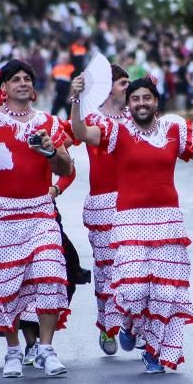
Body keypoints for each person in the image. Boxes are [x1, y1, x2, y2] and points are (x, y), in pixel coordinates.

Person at [81, 75, 193, 373]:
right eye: (135, 99)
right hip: (130, 221)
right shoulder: (117, 132)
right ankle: (131, 327)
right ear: (129, 105)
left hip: (167, 220)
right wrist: (75, 99)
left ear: (156, 102)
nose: (141, 103)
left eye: (147, 98)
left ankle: (154, 352)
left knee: (164, 292)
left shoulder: (173, 130)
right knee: (132, 287)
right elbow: (82, 133)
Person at [0, 60, 74, 379]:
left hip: (39, 211)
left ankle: (46, 349)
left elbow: (66, 169)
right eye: (15, 79)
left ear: (33, 88)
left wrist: (52, 153)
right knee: (5, 285)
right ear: (4, 88)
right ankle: (12, 351)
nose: (22, 83)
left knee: (50, 274)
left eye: (27, 79)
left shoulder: (49, 123)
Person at [69, 64, 131, 355]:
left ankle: (134, 325)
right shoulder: (91, 119)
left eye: (128, 82)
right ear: (108, 88)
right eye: (122, 83)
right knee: (108, 271)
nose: (127, 87)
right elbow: (68, 137)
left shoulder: (138, 119)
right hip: (103, 203)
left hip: (135, 202)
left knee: (136, 270)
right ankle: (108, 326)